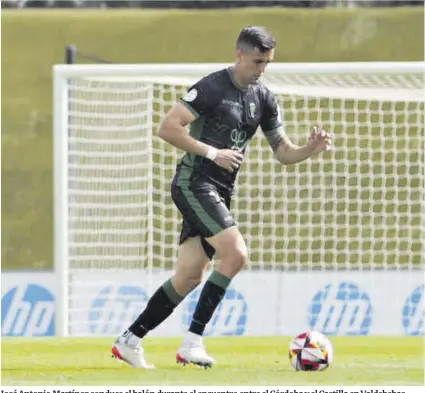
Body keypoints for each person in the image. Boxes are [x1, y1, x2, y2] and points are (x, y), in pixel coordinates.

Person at [111, 25, 332, 369]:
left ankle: (130, 340)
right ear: (239, 55)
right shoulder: (212, 87)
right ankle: (193, 342)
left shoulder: (264, 98)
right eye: (258, 61)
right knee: (236, 254)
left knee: (189, 276)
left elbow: (283, 152)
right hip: (194, 181)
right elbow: (168, 127)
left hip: (219, 190)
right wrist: (213, 153)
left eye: (268, 63)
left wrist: (309, 149)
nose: (262, 69)